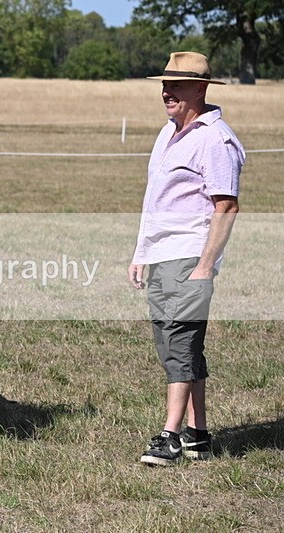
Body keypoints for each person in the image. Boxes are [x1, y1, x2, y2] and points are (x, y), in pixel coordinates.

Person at [128, 52, 245, 466]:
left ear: (201, 88)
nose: (166, 91)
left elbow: (226, 207)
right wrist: (142, 252)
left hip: (190, 255)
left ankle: (170, 436)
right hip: (162, 255)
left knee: (179, 342)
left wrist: (204, 265)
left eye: (175, 85)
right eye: (164, 84)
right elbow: (154, 200)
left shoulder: (216, 140)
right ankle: (198, 434)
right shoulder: (168, 133)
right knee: (176, 345)